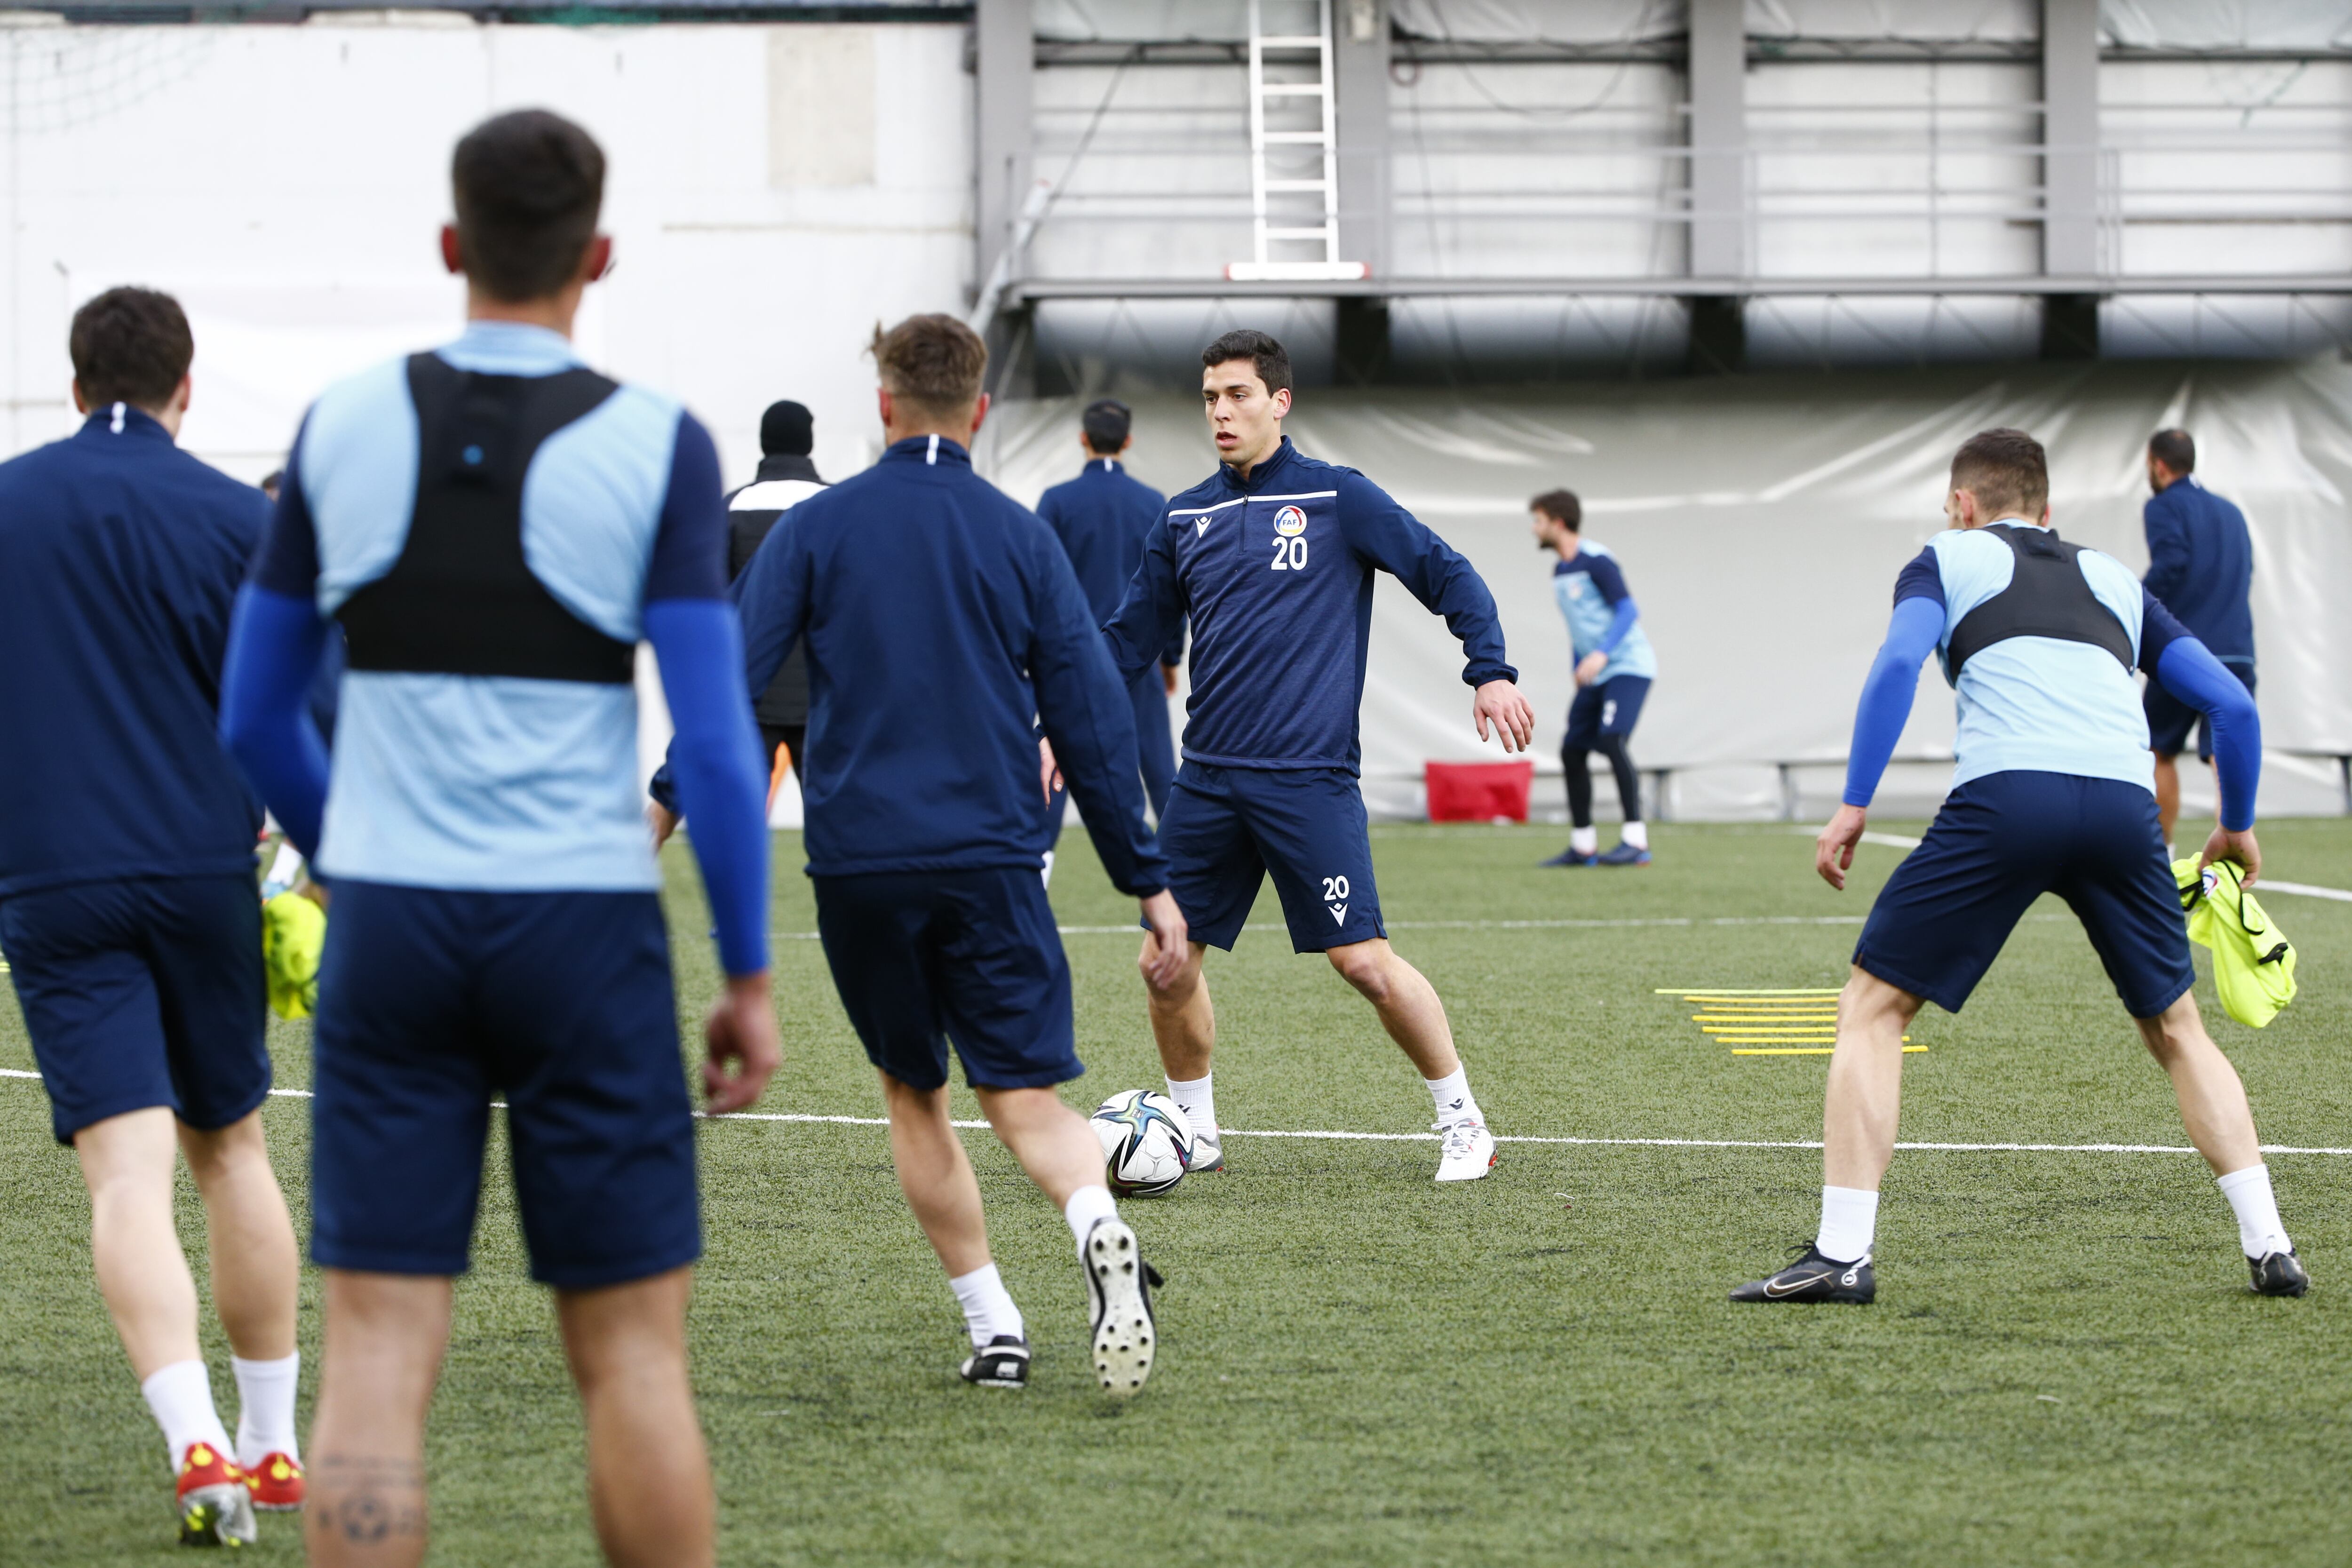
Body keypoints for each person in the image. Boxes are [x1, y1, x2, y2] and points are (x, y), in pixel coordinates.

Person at [218, 110, 779, 1567]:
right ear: (600, 255)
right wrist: (748, 973)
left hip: (396, 929)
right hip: (581, 930)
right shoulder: (661, 442)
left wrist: (353, 862)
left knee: (377, 1350)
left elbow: (256, 716)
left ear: (451, 244)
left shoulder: (339, 425)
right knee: (634, 1356)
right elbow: (719, 745)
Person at [655, 314, 1186, 1395]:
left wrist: (661, 809)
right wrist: (1147, 881)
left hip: (863, 860)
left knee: (915, 1093)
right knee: (1025, 1097)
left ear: (884, 405)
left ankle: (997, 1329)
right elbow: (1090, 719)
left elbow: (726, 686)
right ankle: (1094, 1217)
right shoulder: (1019, 535)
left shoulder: (817, 527)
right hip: (993, 855)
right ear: (979, 410)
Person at [1734, 427, 2306, 1306]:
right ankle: (2271, 1246)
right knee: (2178, 1028)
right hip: (2124, 811)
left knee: (1874, 1006)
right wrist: (2237, 825)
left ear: (1964, 505)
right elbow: (2232, 703)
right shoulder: (2114, 576)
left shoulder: (1944, 555)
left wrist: (1853, 801)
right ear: (2048, 509)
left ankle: (1843, 1254)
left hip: (2010, 799)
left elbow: (1898, 660)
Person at [0, 287, 302, 1547]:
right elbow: (304, 709)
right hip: (203, 869)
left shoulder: (9, 501)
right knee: (231, 1149)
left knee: (125, 1174)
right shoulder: (244, 518)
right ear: (186, 389)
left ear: (76, 386)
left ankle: (194, 1442)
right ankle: (274, 1443)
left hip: (53, 878)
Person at [1095, 329, 1536, 1183]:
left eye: (1239, 395)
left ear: (1280, 401)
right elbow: (1125, 641)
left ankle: (1464, 1121)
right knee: (1166, 958)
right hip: (1207, 782)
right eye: (1211, 398)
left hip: (1309, 779)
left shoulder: (1340, 497)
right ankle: (1196, 1128)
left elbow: (1449, 574)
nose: (1222, 412)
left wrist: (1490, 671)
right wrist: (1055, 723)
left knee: (1363, 962)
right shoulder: (1183, 515)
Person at [1035, 397, 1184, 834]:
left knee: (1055, 760)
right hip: (1139, 659)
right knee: (1160, 771)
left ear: (1083, 438)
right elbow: (1173, 587)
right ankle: (1187, 864)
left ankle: (1037, 861)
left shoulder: (1057, 502)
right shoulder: (1152, 502)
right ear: (1128, 441)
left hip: (1073, 661)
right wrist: (1171, 657)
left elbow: (1037, 586)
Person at [2140, 428, 2256, 849]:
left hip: (2186, 652)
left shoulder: (2163, 506)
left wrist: (2132, 600)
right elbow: (2247, 572)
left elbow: (2172, 562)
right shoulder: (2232, 512)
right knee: (2227, 753)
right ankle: (2233, 854)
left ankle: (2162, 858)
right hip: (2238, 651)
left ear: (2159, 465)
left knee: (2157, 750)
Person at [1529, 488, 1657, 867]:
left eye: (1539, 521)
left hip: (1628, 666)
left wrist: (1601, 654)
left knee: (1613, 739)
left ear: (1559, 523)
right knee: (1572, 749)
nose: (1534, 529)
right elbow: (1578, 627)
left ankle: (1636, 841)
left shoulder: (1597, 561)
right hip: (1594, 673)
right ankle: (1583, 845)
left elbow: (1628, 610)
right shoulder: (1560, 571)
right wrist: (1578, 665)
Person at [729, 398, 826, 777]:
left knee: (743, 810)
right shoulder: (837, 506)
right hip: (821, 699)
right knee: (830, 815)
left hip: (752, 697)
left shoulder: (733, 507)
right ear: (809, 442)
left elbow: (716, 602)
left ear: (764, 442)